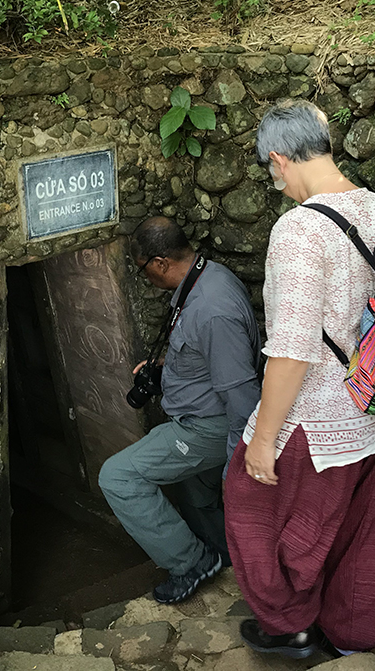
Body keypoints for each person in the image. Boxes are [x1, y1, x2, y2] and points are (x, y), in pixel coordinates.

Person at [225, 100, 375, 658]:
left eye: (273, 176)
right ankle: (353, 642)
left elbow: (292, 350)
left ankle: (289, 623)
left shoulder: (299, 229)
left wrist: (262, 441)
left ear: (278, 159)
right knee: (369, 534)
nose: (278, 186)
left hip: (324, 419)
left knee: (248, 503)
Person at [99, 217, 262, 604]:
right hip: (202, 413)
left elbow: (241, 393)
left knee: (118, 477)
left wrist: (238, 462)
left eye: (143, 272)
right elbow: (206, 358)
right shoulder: (209, 277)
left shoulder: (212, 309)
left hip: (208, 427)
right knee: (195, 494)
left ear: (158, 263)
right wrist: (164, 374)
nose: (147, 280)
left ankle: (191, 563)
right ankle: (230, 558)